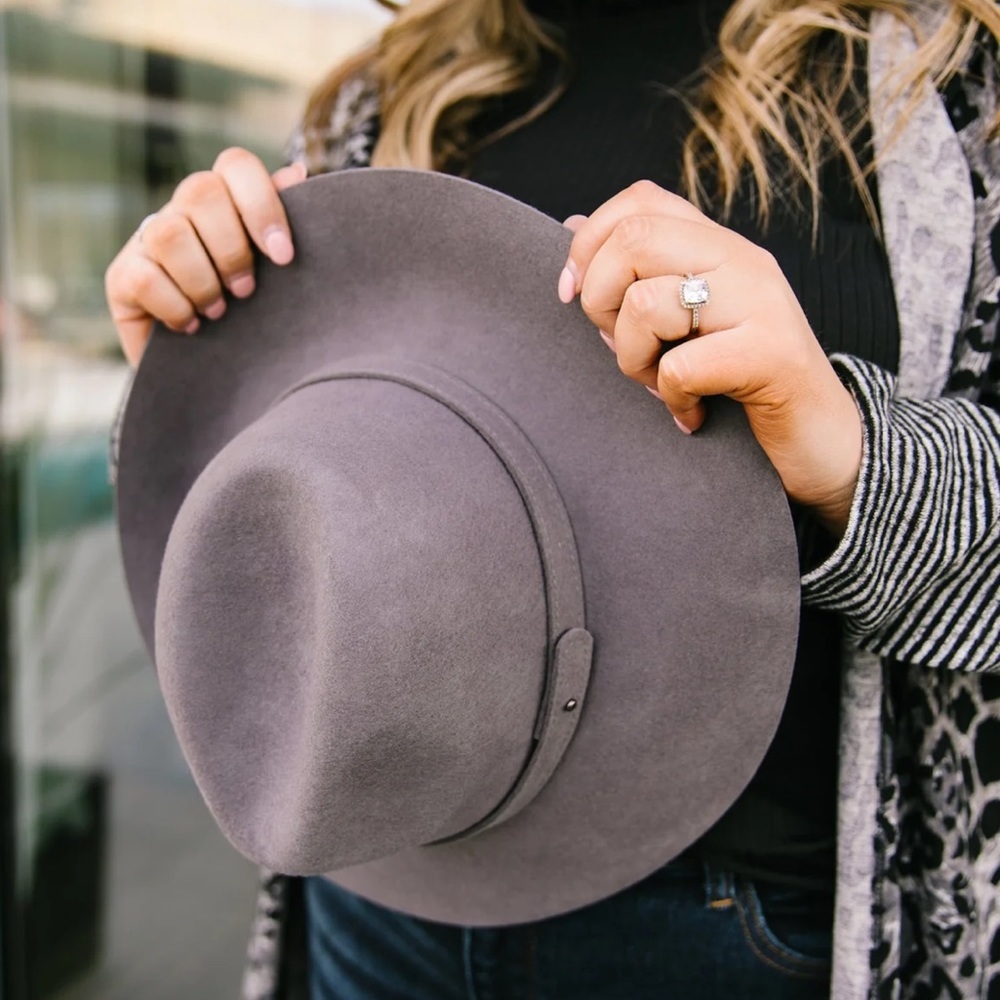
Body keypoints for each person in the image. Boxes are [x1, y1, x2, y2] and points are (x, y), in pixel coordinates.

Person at [104, 0, 1000, 996]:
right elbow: (298, 534)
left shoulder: (954, 86)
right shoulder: (379, 100)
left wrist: (849, 455)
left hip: (743, 926)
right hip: (382, 892)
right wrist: (190, 380)